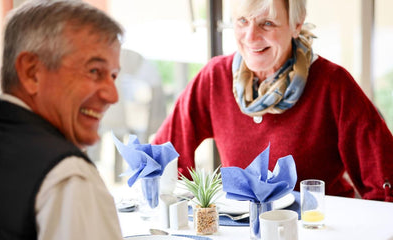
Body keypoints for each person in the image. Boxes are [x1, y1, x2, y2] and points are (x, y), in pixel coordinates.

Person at [0, 1, 151, 240]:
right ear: (32, 72)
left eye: (113, 75)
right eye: (95, 71)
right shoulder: (67, 177)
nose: (112, 95)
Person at [153, 0, 393, 202]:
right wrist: (195, 209)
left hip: (318, 232)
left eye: (267, 23)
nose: (251, 37)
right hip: (241, 234)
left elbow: (384, 178)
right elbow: (164, 155)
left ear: (296, 25)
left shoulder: (333, 83)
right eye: (242, 21)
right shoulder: (216, 77)